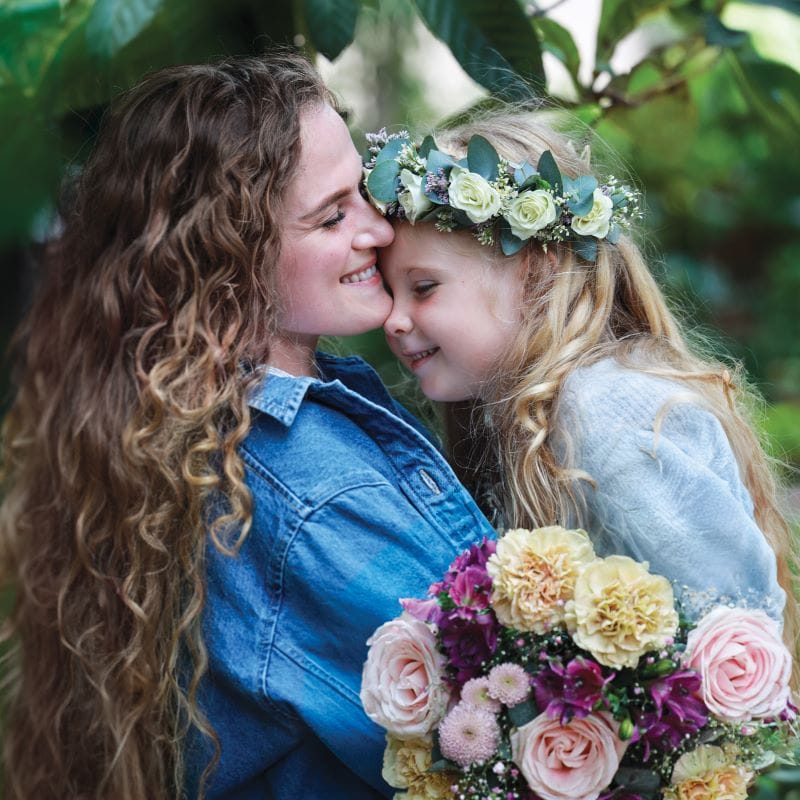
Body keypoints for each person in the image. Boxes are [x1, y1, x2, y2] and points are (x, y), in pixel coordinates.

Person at [0, 53, 494, 799]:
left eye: (362, 192)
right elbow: (514, 716)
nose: (379, 230)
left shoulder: (185, 425)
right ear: (229, 256)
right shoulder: (306, 489)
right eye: (332, 216)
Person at [371, 111, 799, 676]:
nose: (393, 321)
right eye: (388, 291)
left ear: (536, 271)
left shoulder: (602, 412)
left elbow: (733, 637)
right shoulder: (519, 419)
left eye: (423, 287)